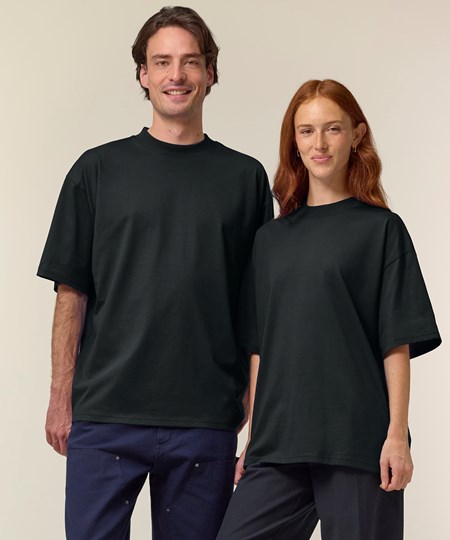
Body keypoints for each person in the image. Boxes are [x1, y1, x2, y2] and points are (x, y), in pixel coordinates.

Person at [37, 6, 273, 540]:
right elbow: (71, 290)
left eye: (191, 61)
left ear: (210, 72)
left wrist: (256, 412)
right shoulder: (97, 170)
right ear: (142, 74)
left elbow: (257, 307)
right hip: (106, 412)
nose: (176, 75)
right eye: (162, 62)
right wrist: (59, 395)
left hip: (205, 417)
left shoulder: (245, 179)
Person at [217, 79, 441, 540]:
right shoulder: (270, 240)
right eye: (306, 131)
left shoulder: (382, 231)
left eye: (332, 129)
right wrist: (254, 439)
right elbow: (260, 347)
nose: (319, 144)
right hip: (280, 443)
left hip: (358, 441)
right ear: (294, 142)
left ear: (356, 134)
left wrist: (396, 435)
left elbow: (396, 341)